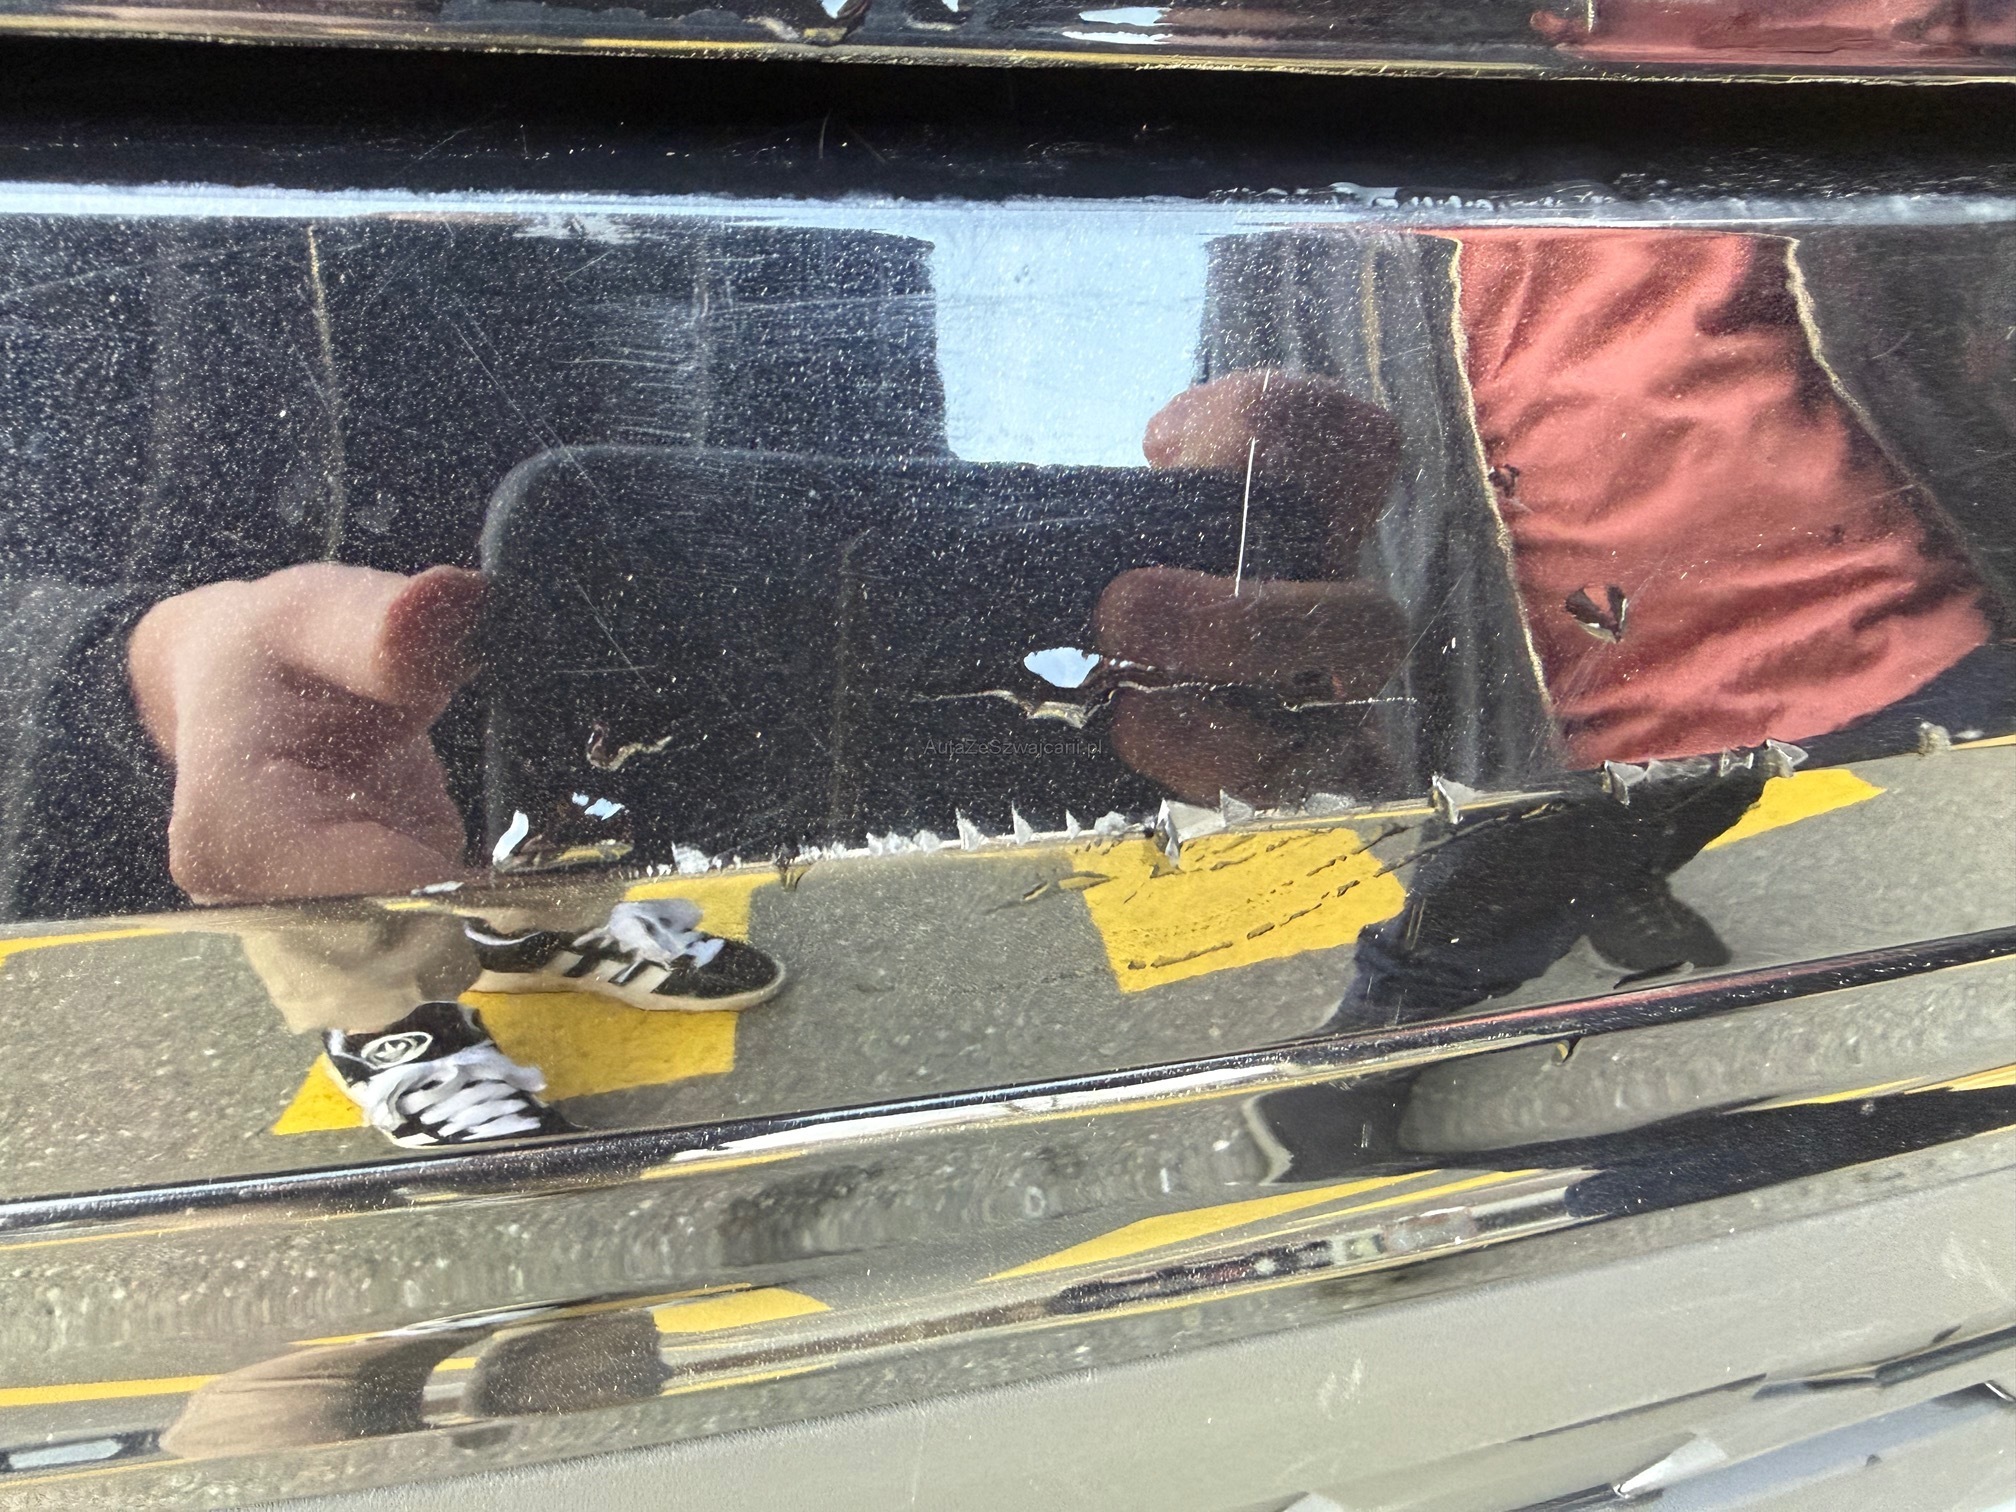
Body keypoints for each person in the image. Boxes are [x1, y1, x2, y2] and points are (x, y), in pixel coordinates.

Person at [1099, 227, 2016, 1025]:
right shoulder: (1310, 185)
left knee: (1689, 817)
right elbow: (1251, 470)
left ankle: (1612, 889)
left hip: (1899, 619)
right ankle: (1360, 1062)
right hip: (1572, 708)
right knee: (1471, 919)